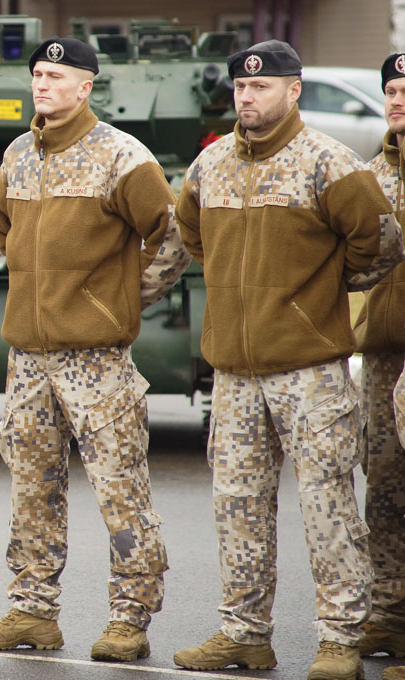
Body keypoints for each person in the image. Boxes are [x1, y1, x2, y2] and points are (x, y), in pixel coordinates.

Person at [173, 40, 403, 680]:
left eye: (262, 87)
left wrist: (317, 297)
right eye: (241, 88)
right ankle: (244, 633)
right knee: (237, 504)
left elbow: (380, 245)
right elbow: (191, 234)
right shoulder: (209, 166)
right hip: (235, 373)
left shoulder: (330, 165)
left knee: (327, 506)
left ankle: (339, 640)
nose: (247, 97)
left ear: (293, 91)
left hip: (309, 370)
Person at [0, 37, 190, 661]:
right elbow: (2, 227)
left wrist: (120, 301)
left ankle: (129, 618)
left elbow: (170, 237)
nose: (42, 85)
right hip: (29, 358)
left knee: (120, 487)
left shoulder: (121, 155)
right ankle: (32, 611)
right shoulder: (18, 153)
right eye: (37, 73)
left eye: (56, 75)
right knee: (32, 487)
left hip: (95, 359)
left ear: (85, 85)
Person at [355, 52, 405, 660]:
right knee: (384, 485)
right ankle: (389, 611)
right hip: (383, 355)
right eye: (391, 90)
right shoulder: (368, 177)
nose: (397, 100)